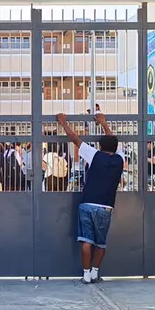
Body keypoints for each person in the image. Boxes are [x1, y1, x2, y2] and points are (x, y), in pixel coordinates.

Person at [55, 110, 124, 283]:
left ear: (100, 147)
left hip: (87, 203)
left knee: (86, 240)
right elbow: (113, 141)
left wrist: (63, 122)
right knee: (100, 243)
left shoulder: (95, 155)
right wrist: (104, 123)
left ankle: (85, 275)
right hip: (106, 206)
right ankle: (95, 272)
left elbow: (75, 139)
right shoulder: (120, 159)